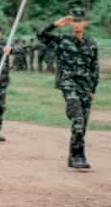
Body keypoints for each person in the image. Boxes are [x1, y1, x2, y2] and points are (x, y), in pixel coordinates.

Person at [38, 9, 99, 169]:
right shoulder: (62, 40)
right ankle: (79, 155)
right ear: (70, 23)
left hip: (85, 86)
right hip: (68, 83)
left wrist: (93, 89)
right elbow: (41, 36)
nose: (77, 24)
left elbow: (94, 68)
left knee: (82, 124)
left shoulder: (91, 43)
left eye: (80, 21)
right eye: (74, 21)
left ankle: (74, 156)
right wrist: (55, 24)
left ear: (85, 23)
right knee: (78, 118)